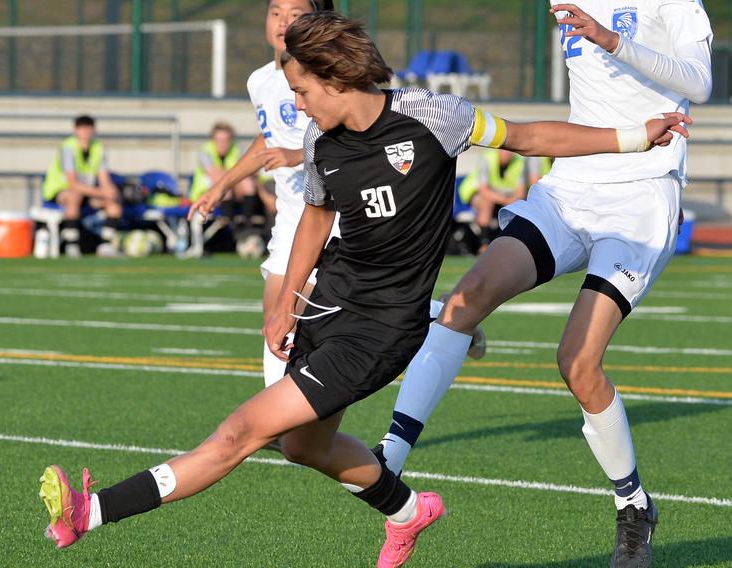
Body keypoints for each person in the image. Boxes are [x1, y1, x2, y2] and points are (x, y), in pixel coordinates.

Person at [38, 12, 689, 568]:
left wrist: (635, 137)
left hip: (380, 329)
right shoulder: (322, 143)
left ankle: (88, 512)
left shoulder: (436, 117)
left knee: (242, 432)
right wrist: (287, 302)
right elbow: (316, 224)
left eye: (300, 89)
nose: (295, 103)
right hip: (326, 307)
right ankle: (407, 510)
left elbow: (530, 138)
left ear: (336, 78)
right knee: (304, 446)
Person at [373, 2, 711, 567]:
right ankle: (391, 455)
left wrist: (610, 38)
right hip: (574, 182)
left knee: (577, 363)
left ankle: (633, 505)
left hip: (643, 189)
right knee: (466, 299)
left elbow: (699, 85)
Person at [190, 0, 339, 388]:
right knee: (276, 311)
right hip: (291, 215)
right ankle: (274, 413)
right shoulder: (259, 82)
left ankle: (438, 316)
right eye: (275, 12)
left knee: (306, 311)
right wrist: (221, 185)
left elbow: (347, 136)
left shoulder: (331, 76)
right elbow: (267, 136)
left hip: (333, 212)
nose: (283, 21)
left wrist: (295, 154)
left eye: (295, 12)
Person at [42, 115, 122, 258]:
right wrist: (100, 192)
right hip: (60, 192)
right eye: (82, 129)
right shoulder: (68, 147)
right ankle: (71, 244)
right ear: (76, 130)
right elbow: (72, 184)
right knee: (74, 197)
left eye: (89, 129)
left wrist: (110, 192)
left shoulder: (98, 148)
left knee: (113, 205)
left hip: (87, 193)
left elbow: (104, 179)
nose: (86, 133)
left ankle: (105, 245)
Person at [458, 149, 530, 247]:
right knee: (486, 202)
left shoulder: (519, 161)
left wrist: (511, 200)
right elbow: (484, 191)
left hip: (503, 197)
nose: (506, 153)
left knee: (519, 204)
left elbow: (521, 192)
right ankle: (484, 244)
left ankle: (513, 244)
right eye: (504, 150)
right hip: (475, 193)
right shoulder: (487, 158)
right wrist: (505, 200)